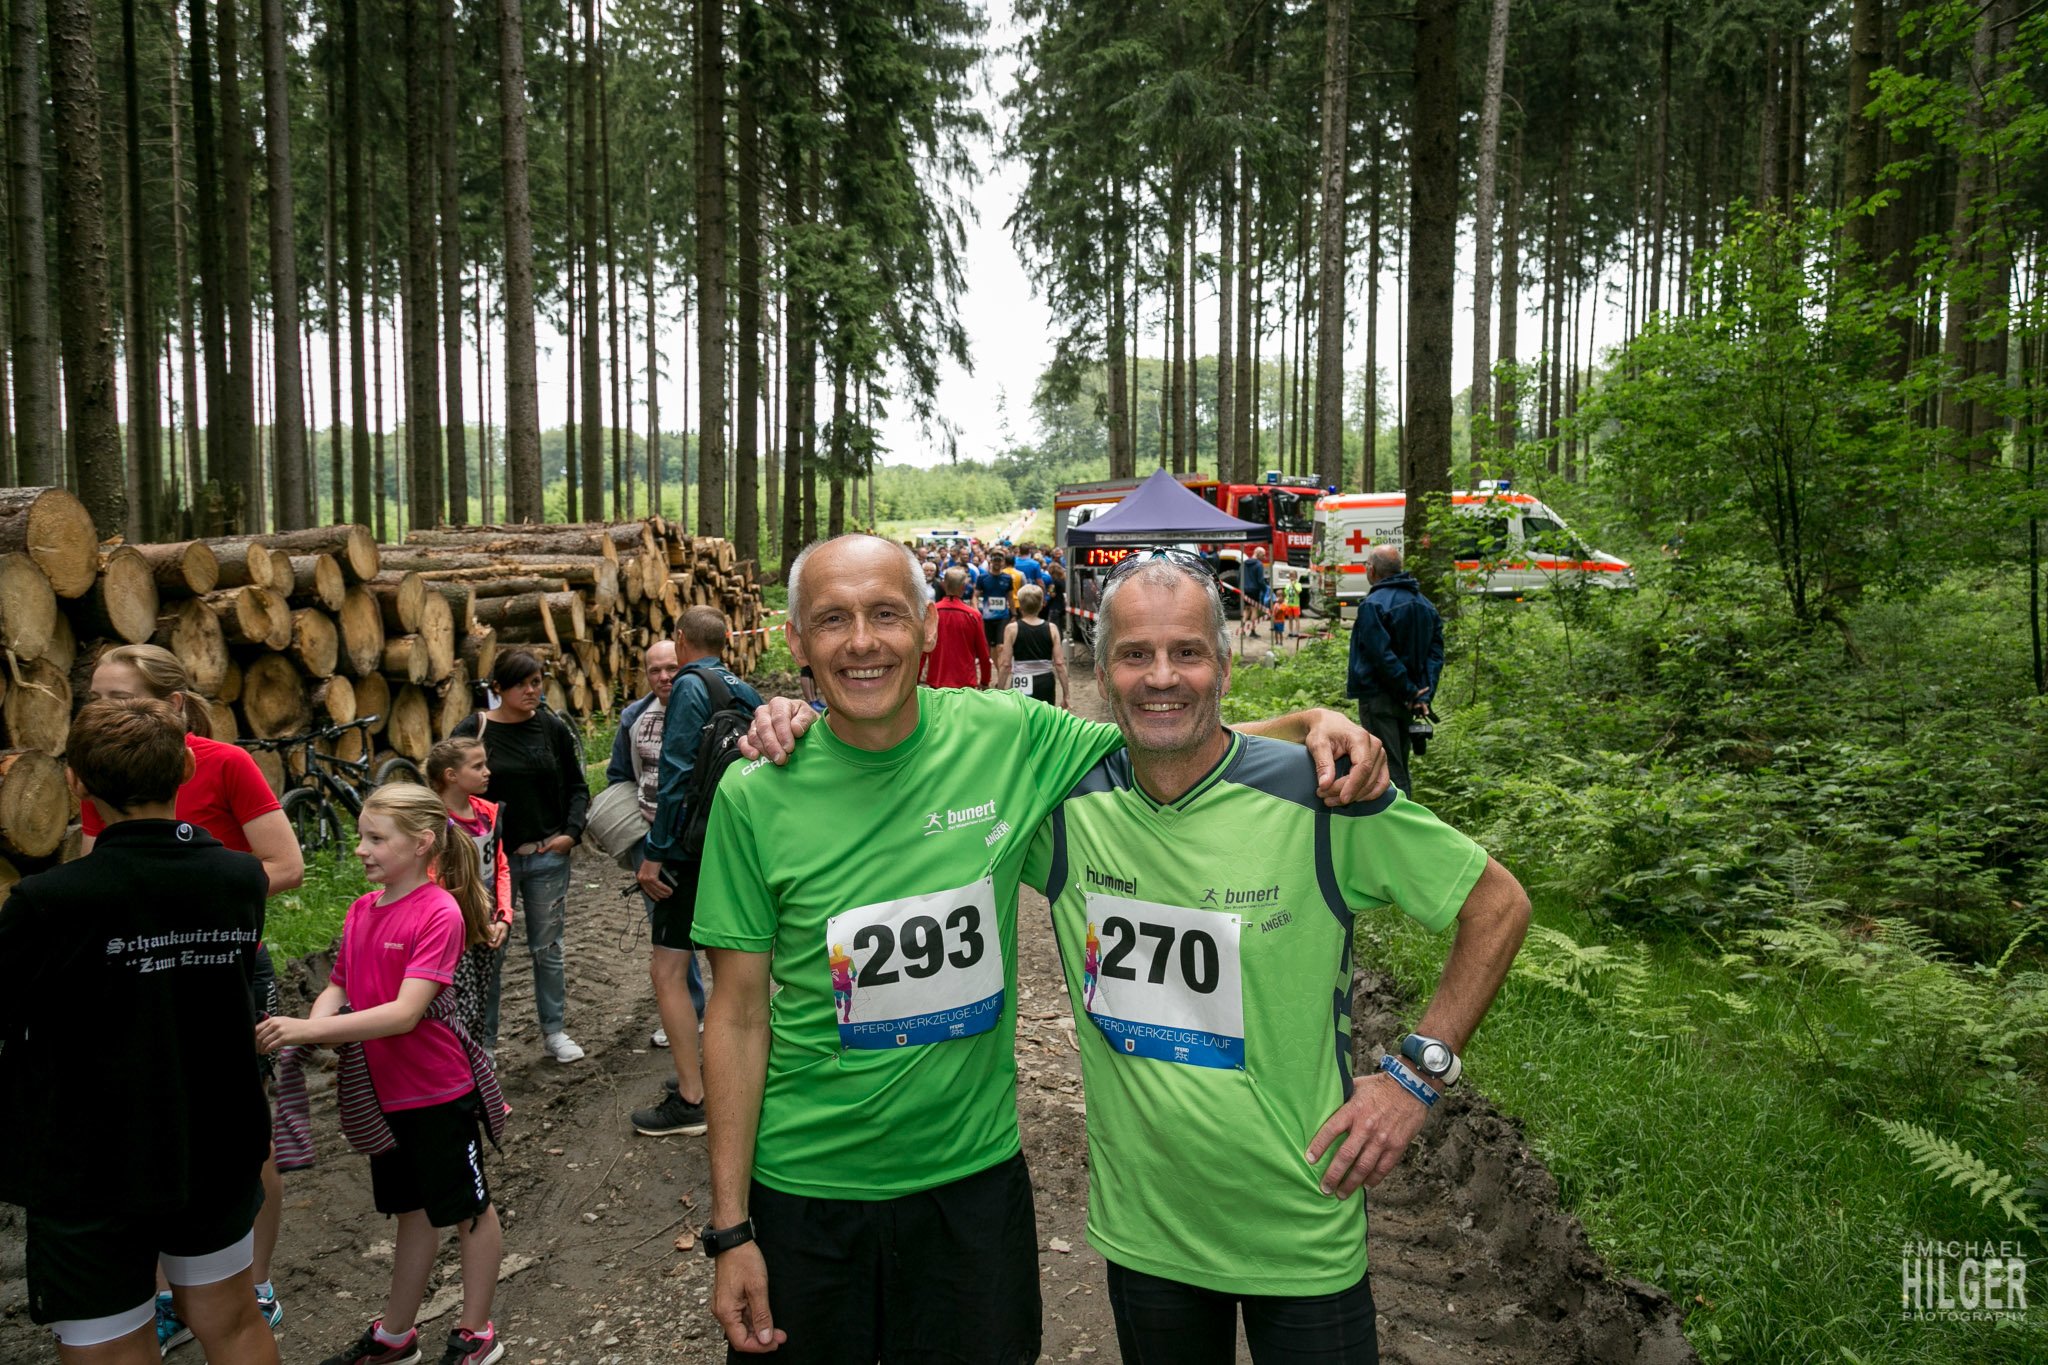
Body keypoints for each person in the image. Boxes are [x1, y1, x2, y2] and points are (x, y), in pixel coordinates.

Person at [692, 533, 1384, 1364]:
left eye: (885, 614)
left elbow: (1170, 733)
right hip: (806, 1188)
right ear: (796, 641)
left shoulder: (1008, 734)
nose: (862, 641)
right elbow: (735, 1016)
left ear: (926, 625)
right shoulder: (755, 791)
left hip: (972, 1185)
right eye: (832, 620)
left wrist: (1310, 722)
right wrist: (731, 1227)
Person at [1025, 553, 1530, 1365]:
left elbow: (1498, 904)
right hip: (1147, 1233)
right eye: (1135, 653)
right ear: (1102, 670)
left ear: (1224, 667)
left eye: (1188, 652)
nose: (1162, 676)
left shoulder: (1319, 793)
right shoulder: (1064, 805)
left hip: (1302, 1227)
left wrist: (1415, 1075)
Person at [0, 699, 280, 1365]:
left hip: (90, 1164)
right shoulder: (239, 877)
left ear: (75, 782)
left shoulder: (49, 902)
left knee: (111, 1349)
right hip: (213, 1141)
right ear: (186, 767)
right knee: (232, 1318)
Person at [81, 643, 304, 1344]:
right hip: (141, 975)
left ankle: (255, 1282)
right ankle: (168, 1295)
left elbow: (285, 864)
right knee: (153, 1126)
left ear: (173, 704)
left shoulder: (225, 763)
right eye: (95, 699)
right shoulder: (102, 771)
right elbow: (96, 874)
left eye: (120, 698)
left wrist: (194, 905)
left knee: (242, 1126)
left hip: (226, 966)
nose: (103, 712)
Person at [257, 784, 507, 1365]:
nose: (361, 849)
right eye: (361, 837)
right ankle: (397, 1335)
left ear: (421, 843)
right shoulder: (360, 910)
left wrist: (304, 1032)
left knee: (468, 1209)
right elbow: (339, 984)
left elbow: (404, 1013)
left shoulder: (439, 912)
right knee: (411, 1211)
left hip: (438, 1092)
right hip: (384, 1093)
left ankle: (476, 1332)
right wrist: (314, 1023)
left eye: (375, 838)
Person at [631, 607, 764, 1138]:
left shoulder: (689, 686)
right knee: (729, 969)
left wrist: (656, 850)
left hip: (689, 853)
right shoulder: (742, 689)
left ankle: (692, 1097)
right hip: (733, 845)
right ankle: (739, 1077)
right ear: (726, 639)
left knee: (666, 971)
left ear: (681, 639)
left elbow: (677, 773)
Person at [453, 650, 590, 1063]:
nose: (531, 691)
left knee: (548, 948)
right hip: (490, 864)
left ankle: (555, 1031)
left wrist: (570, 834)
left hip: (546, 855)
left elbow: (577, 786)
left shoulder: (550, 726)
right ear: (498, 688)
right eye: (520, 684)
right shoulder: (474, 729)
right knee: (489, 950)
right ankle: (484, 1044)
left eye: (536, 682)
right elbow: (447, 782)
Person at [607, 640, 708, 1040]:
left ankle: (733, 1014)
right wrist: (641, 835)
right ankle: (689, 1010)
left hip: (703, 840)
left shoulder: (704, 706)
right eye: (655, 670)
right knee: (668, 937)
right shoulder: (634, 716)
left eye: (672, 668)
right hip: (652, 842)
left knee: (716, 928)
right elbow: (619, 775)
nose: (664, 677)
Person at [426, 738, 515, 1048]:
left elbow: (500, 865)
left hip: (485, 920)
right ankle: (455, 1064)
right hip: (451, 927)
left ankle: (476, 1064)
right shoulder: (433, 822)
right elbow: (429, 880)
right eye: (477, 766)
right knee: (462, 1006)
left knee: (481, 999)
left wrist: (503, 915)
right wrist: (458, 919)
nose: (487, 772)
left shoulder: (487, 812)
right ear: (451, 775)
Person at [1345, 544, 1444, 798]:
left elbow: (1380, 655)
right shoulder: (1426, 605)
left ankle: (1403, 817)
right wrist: (1421, 694)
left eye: (1366, 565)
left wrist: (1410, 691)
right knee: (1398, 763)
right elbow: (1435, 656)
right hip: (1408, 701)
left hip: (1380, 699)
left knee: (1388, 769)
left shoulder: (1373, 605)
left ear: (1373, 570)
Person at [920, 566, 994, 690]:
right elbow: (983, 654)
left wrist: (915, 680)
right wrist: (985, 681)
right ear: (963, 587)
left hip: (937, 682)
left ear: (944, 585)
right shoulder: (973, 616)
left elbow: (922, 651)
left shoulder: (932, 613)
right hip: (965, 684)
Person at [1001, 583, 1069, 709]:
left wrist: (1000, 691)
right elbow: (1059, 663)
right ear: (1041, 604)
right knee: (1045, 717)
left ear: (1020, 605)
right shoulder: (1052, 628)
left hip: (1021, 680)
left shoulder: (1011, 629)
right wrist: (1066, 695)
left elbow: (1005, 664)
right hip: (1045, 681)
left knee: (1021, 716)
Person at [975, 550, 1015, 653]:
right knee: (989, 646)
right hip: (987, 617)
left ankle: (1000, 664)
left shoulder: (1007, 578)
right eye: (995, 560)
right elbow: (975, 596)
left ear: (1003, 562)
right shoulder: (982, 578)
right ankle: (992, 662)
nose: (997, 563)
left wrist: (1014, 614)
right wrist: (976, 611)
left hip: (1003, 616)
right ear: (991, 561)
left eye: (999, 561)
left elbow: (1010, 597)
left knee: (1001, 645)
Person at [1237, 547, 1269, 636]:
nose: (1264, 557)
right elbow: (1260, 581)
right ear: (1258, 554)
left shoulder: (1243, 563)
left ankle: (1242, 630)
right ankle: (1252, 631)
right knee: (1254, 610)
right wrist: (1265, 589)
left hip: (1244, 589)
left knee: (1246, 609)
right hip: (1254, 590)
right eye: (1263, 555)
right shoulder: (1259, 565)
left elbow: (1238, 577)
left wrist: (1240, 588)